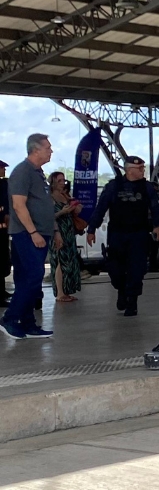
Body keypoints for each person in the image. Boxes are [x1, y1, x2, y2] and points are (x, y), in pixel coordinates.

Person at [87, 156, 159, 316]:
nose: (143, 171)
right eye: (140, 168)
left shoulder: (147, 187)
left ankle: (132, 301)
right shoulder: (113, 186)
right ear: (129, 170)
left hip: (139, 234)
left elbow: (157, 208)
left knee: (136, 269)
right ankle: (121, 290)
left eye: (143, 168)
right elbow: (101, 207)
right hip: (117, 234)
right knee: (115, 269)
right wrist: (91, 229)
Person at [1, 134, 57, 339]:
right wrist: (33, 232)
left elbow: (45, 204)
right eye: (48, 148)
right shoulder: (22, 172)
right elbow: (18, 205)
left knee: (29, 279)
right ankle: (10, 318)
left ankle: (27, 322)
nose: (51, 151)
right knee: (32, 277)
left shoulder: (38, 173)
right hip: (26, 234)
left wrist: (54, 230)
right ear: (36, 150)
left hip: (41, 232)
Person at [48, 172, 82, 303]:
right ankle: (60, 292)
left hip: (68, 230)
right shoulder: (49, 197)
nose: (63, 182)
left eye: (63, 180)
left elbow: (77, 210)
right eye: (60, 180)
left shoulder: (65, 195)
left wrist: (74, 206)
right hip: (58, 230)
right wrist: (63, 212)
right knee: (60, 260)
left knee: (69, 260)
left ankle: (67, 290)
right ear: (53, 182)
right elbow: (48, 216)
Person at [0, 159, 10, 307]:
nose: (4, 170)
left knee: (3, 259)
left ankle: (2, 291)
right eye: (2, 168)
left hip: (3, 229)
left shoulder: (3, 184)